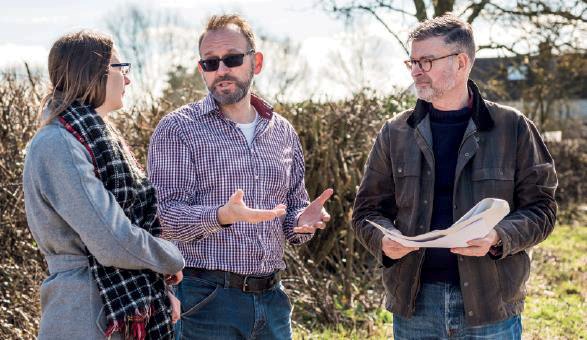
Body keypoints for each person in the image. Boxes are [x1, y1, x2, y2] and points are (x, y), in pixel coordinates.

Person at [352, 13, 557, 339]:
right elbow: (365, 212)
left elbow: (542, 210)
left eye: (427, 61)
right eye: (413, 61)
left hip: (490, 305)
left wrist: (497, 237)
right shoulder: (394, 133)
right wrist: (383, 240)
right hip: (416, 305)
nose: (416, 70)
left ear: (461, 62)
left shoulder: (513, 128)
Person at [148, 14, 333, 340]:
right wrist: (221, 216)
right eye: (210, 63)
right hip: (205, 301)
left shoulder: (283, 132)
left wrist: (303, 221)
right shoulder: (179, 129)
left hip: (273, 301)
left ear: (256, 62)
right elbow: (164, 217)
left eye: (232, 59)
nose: (221, 70)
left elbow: (290, 220)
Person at [23, 30, 185, 340]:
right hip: (84, 314)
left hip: (108, 306)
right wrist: (169, 258)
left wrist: (156, 287)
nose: (128, 80)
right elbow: (112, 240)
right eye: (120, 68)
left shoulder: (97, 138)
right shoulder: (59, 143)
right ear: (92, 72)